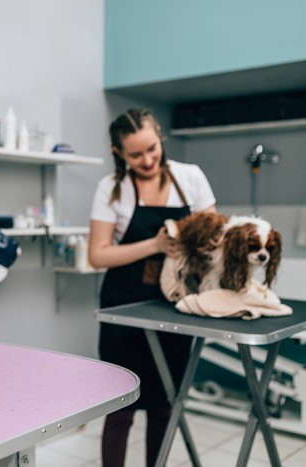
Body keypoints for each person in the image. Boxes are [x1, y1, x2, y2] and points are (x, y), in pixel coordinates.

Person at [88, 108, 216, 467]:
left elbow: (212, 237)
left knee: (164, 405)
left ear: (160, 137)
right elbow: (98, 255)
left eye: (152, 149)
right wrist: (155, 246)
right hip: (123, 310)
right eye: (135, 155)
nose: (147, 160)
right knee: (120, 407)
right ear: (119, 154)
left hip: (175, 307)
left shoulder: (190, 178)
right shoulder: (112, 189)